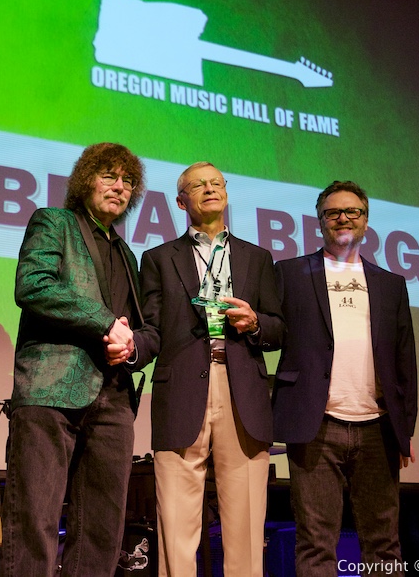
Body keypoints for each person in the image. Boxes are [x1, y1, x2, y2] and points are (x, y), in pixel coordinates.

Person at [2, 142, 151, 577]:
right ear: (85, 179)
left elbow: (135, 327)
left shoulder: (127, 253)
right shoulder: (55, 222)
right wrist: (105, 322)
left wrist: (131, 345)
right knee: (35, 520)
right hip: (51, 388)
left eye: (128, 181)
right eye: (109, 175)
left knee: (103, 529)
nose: (119, 186)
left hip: (115, 399)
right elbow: (32, 285)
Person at [140, 161, 285, 577]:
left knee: (245, 527)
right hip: (181, 390)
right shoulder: (157, 258)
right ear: (180, 200)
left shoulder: (257, 258)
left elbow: (278, 330)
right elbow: (150, 327)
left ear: (227, 193)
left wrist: (254, 322)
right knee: (176, 525)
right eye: (198, 185)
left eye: (217, 183)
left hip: (242, 392)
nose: (209, 189)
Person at [272, 180, 418, 577]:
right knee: (316, 544)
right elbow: (269, 334)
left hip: (378, 428)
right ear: (320, 222)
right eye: (333, 212)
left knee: (384, 544)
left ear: (366, 221)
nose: (343, 218)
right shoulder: (289, 273)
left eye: (352, 211)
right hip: (315, 424)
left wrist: (405, 430)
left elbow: (405, 358)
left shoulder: (391, 284)